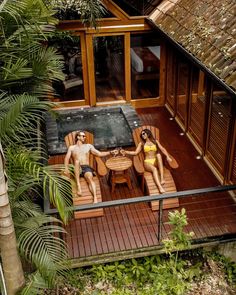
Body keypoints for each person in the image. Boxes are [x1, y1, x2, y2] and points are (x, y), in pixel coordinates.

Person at [64, 131, 118, 203]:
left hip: (86, 167)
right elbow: (67, 158)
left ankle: (95, 197)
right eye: (82, 136)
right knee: (76, 162)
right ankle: (78, 185)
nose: (84, 137)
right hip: (77, 168)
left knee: (90, 178)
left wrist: (110, 152)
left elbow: (99, 153)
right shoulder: (72, 148)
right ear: (78, 137)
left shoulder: (88, 146)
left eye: (85, 136)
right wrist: (66, 169)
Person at [120, 129, 173, 194]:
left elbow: (162, 149)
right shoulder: (142, 143)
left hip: (155, 161)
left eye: (143, 133)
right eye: (141, 134)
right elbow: (135, 152)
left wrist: (168, 156)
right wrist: (125, 151)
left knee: (158, 155)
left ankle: (162, 179)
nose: (142, 135)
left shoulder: (155, 141)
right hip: (148, 162)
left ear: (148, 133)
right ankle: (160, 187)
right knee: (154, 169)